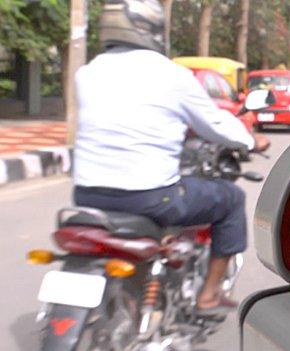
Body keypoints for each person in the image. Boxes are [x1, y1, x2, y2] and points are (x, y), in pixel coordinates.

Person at [72, 0, 268, 313]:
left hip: (86, 194)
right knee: (230, 198)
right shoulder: (170, 75)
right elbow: (215, 123)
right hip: (148, 197)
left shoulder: (87, 73)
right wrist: (250, 141)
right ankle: (209, 293)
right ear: (150, 30)